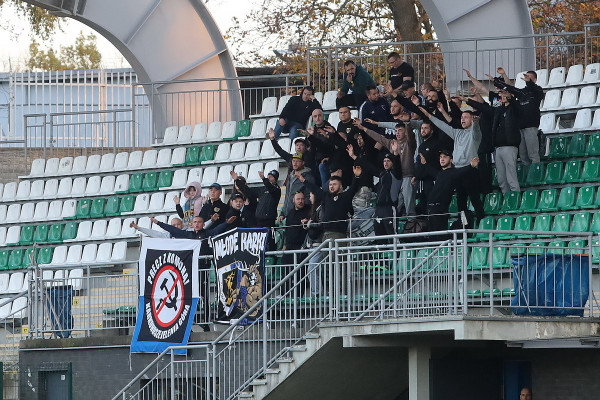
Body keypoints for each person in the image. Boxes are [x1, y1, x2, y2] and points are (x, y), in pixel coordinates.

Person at [419, 105, 485, 221]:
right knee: (460, 201)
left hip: (470, 170)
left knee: (475, 199)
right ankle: (463, 223)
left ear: (472, 119)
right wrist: (429, 116)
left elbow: (476, 130)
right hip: (457, 171)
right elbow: (442, 125)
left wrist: (476, 122)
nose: (463, 119)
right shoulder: (457, 133)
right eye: (462, 117)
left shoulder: (475, 134)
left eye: (466, 117)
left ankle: (481, 221)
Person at [357, 121, 417, 217]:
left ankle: (412, 221)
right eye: (396, 131)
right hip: (396, 177)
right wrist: (364, 129)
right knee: (397, 202)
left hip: (407, 176)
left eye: (400, 130)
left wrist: (407, 123)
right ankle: (394, 220)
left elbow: (411, 135)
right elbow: (378, 137)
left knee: (408, 202)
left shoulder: (409, 143)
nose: (397, 133)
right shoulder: (392, 143)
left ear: (405, 132)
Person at [467, 90, 521, 193]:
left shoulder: (515, 108)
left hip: (509, 146)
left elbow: (514, 105)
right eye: (502, 95)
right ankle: (506, 199)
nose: (503, 96)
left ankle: (515, 198)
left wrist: (510, 97)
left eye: (505, 94)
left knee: (511, 178)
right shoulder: (498, 110)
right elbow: (484, 107)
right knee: (501, 179)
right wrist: (467, 100)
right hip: (498, 148)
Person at [297, 165, 363, 241]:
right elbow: (315, 189)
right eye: (330, 184)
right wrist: (303, 180)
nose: (331, 186)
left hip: (338, 234)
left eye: (334, 184)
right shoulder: (326, 196)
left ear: (340, 186)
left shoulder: (345, 196)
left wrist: (357, 176)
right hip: (325, 234)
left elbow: (353, 187)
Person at [419, 150, 480, 232]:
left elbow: (462, 170)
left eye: (445, 157)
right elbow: (430, 170)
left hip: (440, 210)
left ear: (451, 160)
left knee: (439, 234)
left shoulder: (453, 172)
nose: (442, 159)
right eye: (440, 157)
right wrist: (425, 163)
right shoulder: (439, 173)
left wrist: (471, 166)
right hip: (430, 209)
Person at [494, 70, 544, 165]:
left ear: (535, 80)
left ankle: (535, 173)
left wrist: (529, 82)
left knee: (533, 154)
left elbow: (535, 90)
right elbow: (511, 89)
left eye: (529, 77)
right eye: (526, 76)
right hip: (520, 127)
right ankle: (527, 173)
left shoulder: (538, 90)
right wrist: (496, 82)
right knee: (523, 155)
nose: (527, 78)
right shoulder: (522, 92)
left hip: (531, 126)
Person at [413, 120, 453, 214]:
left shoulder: (437, 144)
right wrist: (416, 176)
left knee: (433, 205)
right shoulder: (421, 146)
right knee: (423, 206)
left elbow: (438, 163)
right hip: (422, 181)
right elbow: (420, 164)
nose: (423, 130)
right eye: (422, 128)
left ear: (431, 131)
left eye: (426, 128)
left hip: (433, 180)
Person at [280, 192, 311, 293]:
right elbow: (287, 231)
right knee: (286, 272)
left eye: (302, 199)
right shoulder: (290, 213)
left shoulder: (308, 211)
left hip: (302, 247)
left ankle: (299, 297)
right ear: (293, 200)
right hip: (290, 247)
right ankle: (284, 295)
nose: (301, 201)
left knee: (300, 274)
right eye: (298, 199)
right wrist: (285, 245)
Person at [279, 152, 315, 224]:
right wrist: (283, 212)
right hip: (290, 213)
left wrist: (306, 212)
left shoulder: (308, 176)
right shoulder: (291, 175)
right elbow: (287, 196)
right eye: (293, 161)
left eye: (298, 161)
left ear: (303, 162)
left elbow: (310, 195)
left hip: (301, 213)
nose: (295, 163)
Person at [302, 192, 324, 297]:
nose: (309, 198)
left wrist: (309, 224)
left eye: (311, 196)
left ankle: (317, 293)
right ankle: (316, 292)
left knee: (312, 269)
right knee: (312, 269)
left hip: (318, 244)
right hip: (311, 244)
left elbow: (322, 225)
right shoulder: (314, 210)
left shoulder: (321, 209)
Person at [255, 169, 281, 250]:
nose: (269, 178)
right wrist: (238, 182)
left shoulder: (277, 189)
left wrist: (264, 179)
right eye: (268, 176)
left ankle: (272, 254)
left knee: (269, 239)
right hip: (259, 219)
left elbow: (271, 189)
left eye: (271, 177)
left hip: (269, 220)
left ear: (275, 179)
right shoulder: (263, 189)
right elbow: (250, 192)